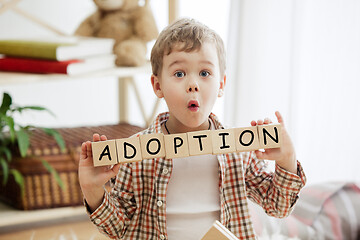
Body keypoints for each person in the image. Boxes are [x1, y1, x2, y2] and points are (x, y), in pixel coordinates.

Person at [79, 18, 306, 239]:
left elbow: (278, 207)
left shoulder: (240, 151)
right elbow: (117, 228)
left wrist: (287, 161)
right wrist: (92, 190)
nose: (193, 84)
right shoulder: (135, 154)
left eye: (205, 73)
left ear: (221, 85)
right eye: (179, 74)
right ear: (158, 86)